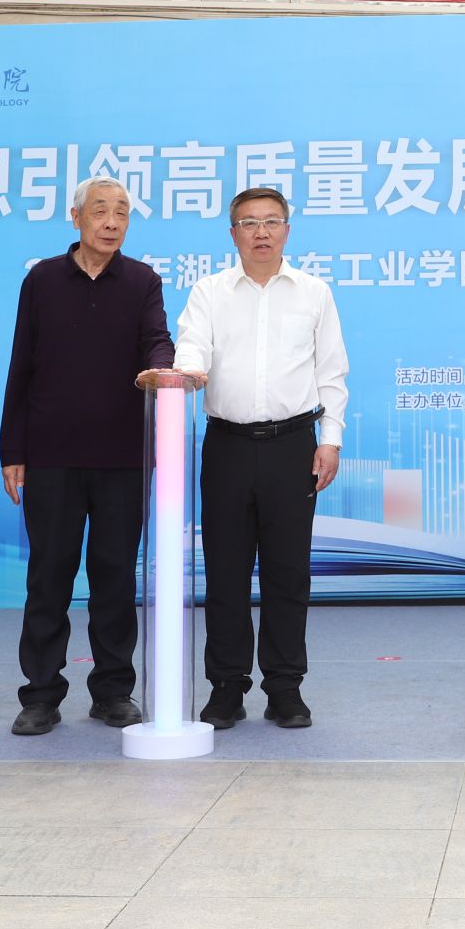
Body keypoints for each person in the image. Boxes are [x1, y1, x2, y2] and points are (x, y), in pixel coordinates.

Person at [2, 177, 175, 736]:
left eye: (121, 212)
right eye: (100, 211)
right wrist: (13, 449)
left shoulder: (142, 280)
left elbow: (157, 338)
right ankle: (40, 695)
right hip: (51, 454)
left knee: (115, 578)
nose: (111, 222)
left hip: (123, 455)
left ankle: (113, 691)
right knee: (48, 578)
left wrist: (164, 367)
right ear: (76, 217)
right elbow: (21, 364)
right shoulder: (43, 279)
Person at [172, 186, 349, 731]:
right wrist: (187, 373)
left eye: (271, 221)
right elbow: (191, 345)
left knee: (287, 572)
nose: (261, 232)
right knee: (224, 571)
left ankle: (285, 687)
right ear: (233, 234)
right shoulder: (210, 291)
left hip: (293, 445)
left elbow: (331, 371)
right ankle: (226, 687)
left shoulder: (313, 292)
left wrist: (330, 438)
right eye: (249, 223)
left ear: (287, 231)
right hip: (226, 444)